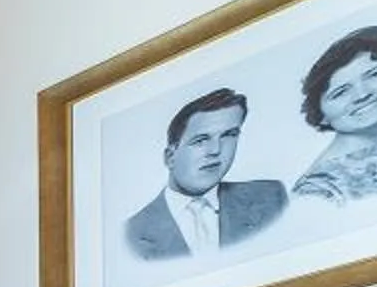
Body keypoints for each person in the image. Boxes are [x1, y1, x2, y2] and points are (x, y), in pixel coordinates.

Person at [121, 88, 285, 261]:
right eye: (200, 140)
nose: (216, 150)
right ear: (170, 157)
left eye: (228, 135)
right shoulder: (132, 234)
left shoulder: (271, 197)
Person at [292, 25, 377, 207]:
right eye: (340, 92)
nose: (362, 94)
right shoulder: (320, 191)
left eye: (375, 74)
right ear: (321, 115)